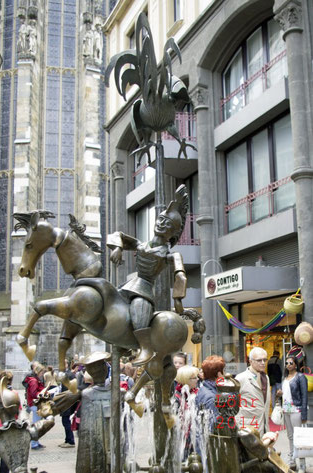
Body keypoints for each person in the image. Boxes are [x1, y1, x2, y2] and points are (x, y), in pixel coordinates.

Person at [107, 185, 188, 366]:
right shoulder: (141, 245)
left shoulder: (170, 255)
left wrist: (178, 298)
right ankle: (121, 341)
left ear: (172, 233)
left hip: (144, 289)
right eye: (160, 219)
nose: (161, 224)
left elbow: (180, 275)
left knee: (138, 308)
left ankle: (145, 347)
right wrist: (118, 248)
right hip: (130, 284)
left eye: (167, 224)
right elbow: (117, 235)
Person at [277, 355, 308, 472]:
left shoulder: (300, 377)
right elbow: (285, 394)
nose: (288, 365)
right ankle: (292, 462)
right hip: (286, 410)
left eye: (291, 363)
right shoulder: (284, 378)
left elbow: (304, 396)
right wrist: (279, 394)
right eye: (287, 363)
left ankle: (302, 464)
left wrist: (304, 414)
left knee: (298, 437)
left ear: (296, 364)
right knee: (290, 436)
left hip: (297, 410)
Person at [235, 347, 270, 436]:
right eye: (259, 360)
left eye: (265, 360)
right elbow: (233, 404)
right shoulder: (241, 378)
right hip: (247, 428)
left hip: (263, 425)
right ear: (250, 361)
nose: (263, 363)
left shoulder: (265, 377)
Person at [174, 365, 199, 461]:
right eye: (194, 378)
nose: (197, 379)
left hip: (194, 438)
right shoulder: (177, 397)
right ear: (186, 380)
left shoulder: (196, 393)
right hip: (182, 440)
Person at [196, 355, 225, 427]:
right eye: (224, 370)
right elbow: (213, 426)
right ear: (219, 374)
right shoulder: (211, 397)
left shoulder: (204, 388)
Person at [23, 363, 46, 449]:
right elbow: (34, 394)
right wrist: (42, 393)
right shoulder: (34, 381)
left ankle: (36, 441)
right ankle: (34, 443)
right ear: (39, 372)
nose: (42, 374)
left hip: (35, 404)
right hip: (35, 404)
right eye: (42, 373)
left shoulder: (35, 380)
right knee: (36, 424)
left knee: (37, 424)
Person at [58, 360, 76, 448]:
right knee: (65, 421)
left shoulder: (69, 375)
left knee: (66, 421)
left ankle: (70, 441)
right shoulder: (67, 374)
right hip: (66, 400)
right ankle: (67, 439)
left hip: (67, 400)